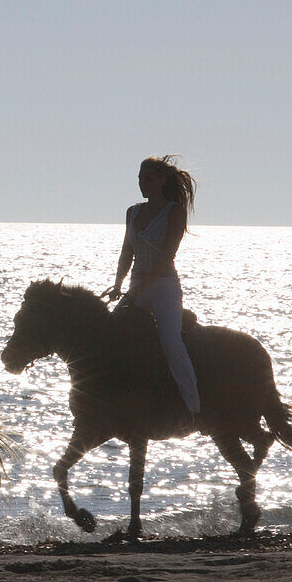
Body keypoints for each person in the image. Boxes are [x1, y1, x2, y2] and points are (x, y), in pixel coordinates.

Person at [106, 156, 201, 417]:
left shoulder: (174, 211)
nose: (142, 184)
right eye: (139, 179)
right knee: (110, 335)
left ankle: (193, 407)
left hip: (164, 287)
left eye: (147, 179)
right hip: (137, 285)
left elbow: (166, 257)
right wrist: (118, 284)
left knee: (170, 341)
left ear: (162, 180)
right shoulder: (132, 212)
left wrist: (140, 287)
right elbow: (127, 251)